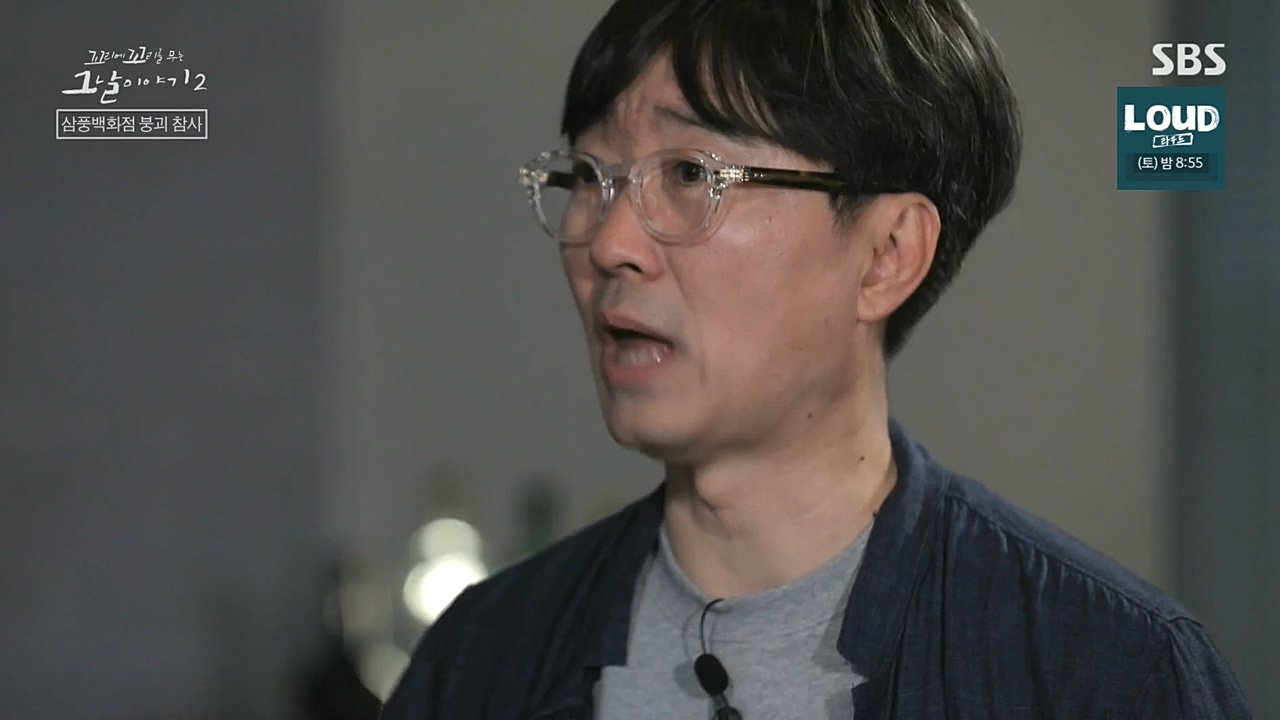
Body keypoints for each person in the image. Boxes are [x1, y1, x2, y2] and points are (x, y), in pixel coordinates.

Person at [382, 0, 1252, 717]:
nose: (610, 243)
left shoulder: (1105, 670)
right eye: (589, 178)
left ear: (886, 255)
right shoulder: (482, 660)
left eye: (689, 175)